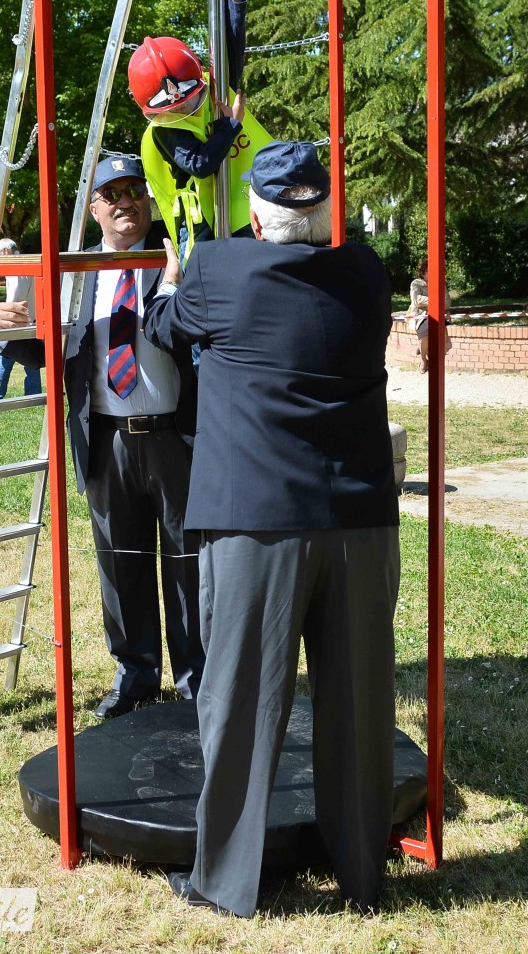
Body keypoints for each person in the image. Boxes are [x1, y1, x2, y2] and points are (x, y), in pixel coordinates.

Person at [143, 141, 400, 917]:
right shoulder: (366, 273)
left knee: (241, 702)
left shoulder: (219, 269)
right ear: (324, 211)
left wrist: (169, 279)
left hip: (256, 521)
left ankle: (225, 881)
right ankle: (361, 871)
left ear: (255, 218)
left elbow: (163, 328)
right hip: (359, 519)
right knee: (359, 704)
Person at [0, 156, 204, 719]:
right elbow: (50, 348)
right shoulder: (75, 273)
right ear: (93, 209)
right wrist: (8, 331)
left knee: (188, 562)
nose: (126, 201)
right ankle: (135, 674)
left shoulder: (180, 259)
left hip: (177, 438)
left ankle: (195, 678)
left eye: (135, 190)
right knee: (119, 561)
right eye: (112, 194)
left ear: (149, 200)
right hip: (106, 441)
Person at [128, 0, 271, 258]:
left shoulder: (211, 89)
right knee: (204, 280)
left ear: (197, 83)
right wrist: (230, 125)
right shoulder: (165, 130)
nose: (181, 108)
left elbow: (231, 51)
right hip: (201, 227)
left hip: (248, 211)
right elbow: (200, 163)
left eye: (188, 100)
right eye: (172, 108)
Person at [0, 239, 43, 400]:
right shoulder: (28, 263)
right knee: (31, 362)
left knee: (3, 361)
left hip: (16, 321)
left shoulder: (15, 267)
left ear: (5, 252)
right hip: (32, 319)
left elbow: (15, 298)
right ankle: (34, 394)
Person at [408, 259, 452, 373]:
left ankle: (424, 349)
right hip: (420, 315)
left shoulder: (440, 283)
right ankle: (423, 360)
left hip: (439, 315)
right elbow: (417, 300)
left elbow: (447, 302)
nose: (433, 274)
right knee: (424, 334)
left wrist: (428, 305)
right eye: (430, 271)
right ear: (423, 273)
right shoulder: (416, 283)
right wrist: (437, 301)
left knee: (439, 338)